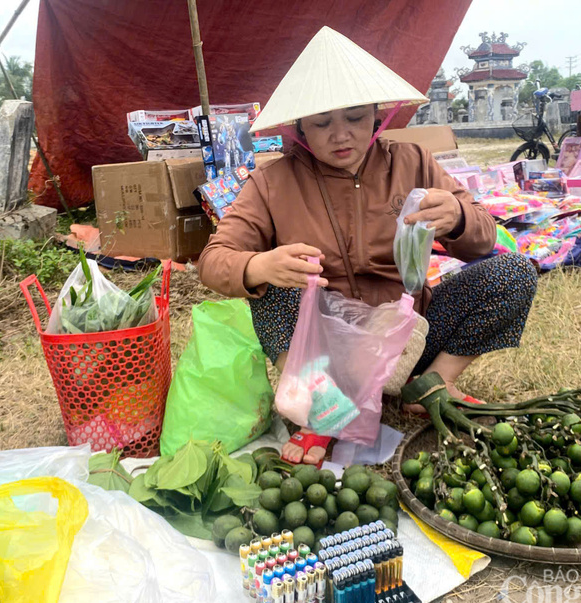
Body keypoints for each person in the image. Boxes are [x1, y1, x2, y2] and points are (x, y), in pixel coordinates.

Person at [199, 27, 538, 465]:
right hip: (325, 351)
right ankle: (322, 412)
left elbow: (485, 237)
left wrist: (456, 217)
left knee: (513, 273)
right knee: (273, 286)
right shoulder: (272, 182)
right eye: (322, 122)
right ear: (299, 126)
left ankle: (430, 385)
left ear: (378, 115)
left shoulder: (412, 162)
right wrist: (260, 264)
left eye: (355, 118)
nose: (341, 135)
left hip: (409, 336)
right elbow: (213, 260)